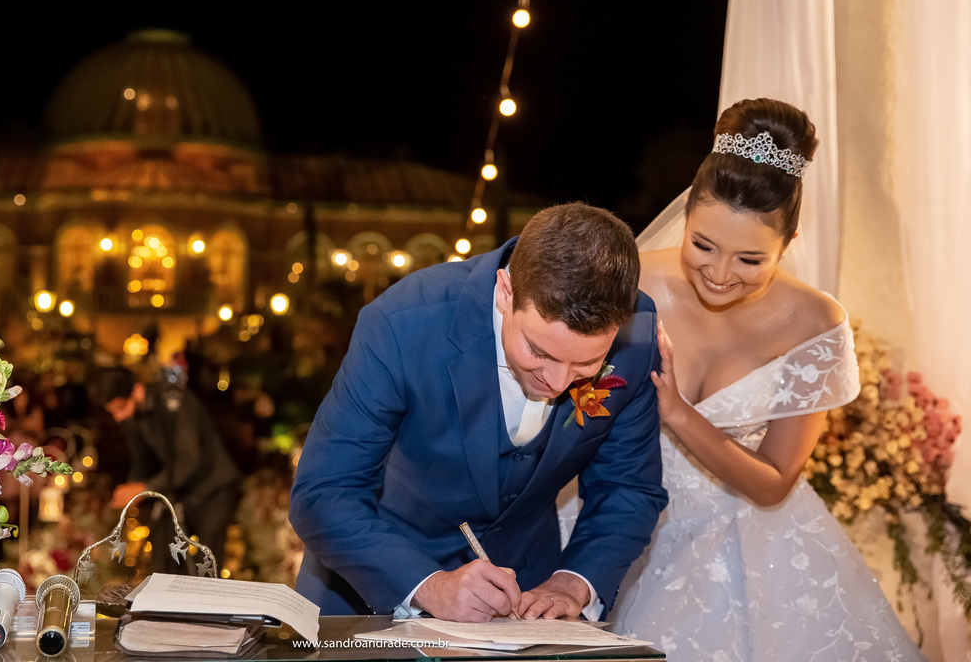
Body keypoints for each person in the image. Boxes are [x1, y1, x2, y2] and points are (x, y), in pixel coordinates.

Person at [609, 98, 924, 660]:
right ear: (686, 216)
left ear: (787, 245)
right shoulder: (629, 284)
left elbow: (775, 481)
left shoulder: (815, 323)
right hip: (618, 517)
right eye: (702, 245)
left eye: (751, 260)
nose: (720, 273)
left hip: (745, 548)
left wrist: (678, 413)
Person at [289, 203, 668, 622]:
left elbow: (628, 488)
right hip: (370, 593)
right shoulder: (403, 324)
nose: (560, 383)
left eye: (585, 365)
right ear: (506, 292)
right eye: (538, 351)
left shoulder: (639, 338)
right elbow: (324, 492)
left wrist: (572, 581)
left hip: (525, 603)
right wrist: (428, 585)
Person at [104, 356, 242, 574]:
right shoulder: (130, 417)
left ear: (137, 390)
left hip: (213, 489)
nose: (118, 417)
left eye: (121, 407)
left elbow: (189, 459)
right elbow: (142, 459)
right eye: (112, 411)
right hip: (178, 491)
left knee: (207, 564)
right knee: (167, 558)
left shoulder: (174, 402)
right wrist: (132, 489)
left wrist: (144, 489)